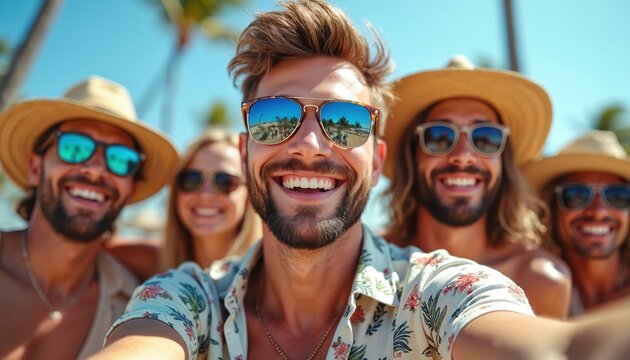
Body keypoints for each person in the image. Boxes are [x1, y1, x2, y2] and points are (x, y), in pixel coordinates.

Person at [93, 1, 630, 359]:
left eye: (345, 123)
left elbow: (561, 350)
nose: (307, 144)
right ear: (244, 147)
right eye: (275, 118)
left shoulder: (436, 292)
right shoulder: (184, 298)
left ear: (376, 157)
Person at [0, 76, 178, 359]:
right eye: (75, 147)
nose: (95, 170)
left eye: (121, 159)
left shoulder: (137, 307)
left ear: (131, 187)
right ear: (35, 167)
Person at [382, 55, 572, 318]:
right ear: (412, 156)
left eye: (485, 138)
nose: (464, 155)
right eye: (439, 136)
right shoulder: (370, 263)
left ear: (503, 161)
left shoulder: (541, 281)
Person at [106, 128, 262, 281]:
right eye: (191, 179)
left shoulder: (271, 277)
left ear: (250, 195)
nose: (205, 194)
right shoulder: (153, 262)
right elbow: (98, 246)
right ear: (176, 193)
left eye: (226, 182)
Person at [522, 130, 630, 316]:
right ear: (550, 207)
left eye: (617, 196)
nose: (598, 212)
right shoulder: (527, 292)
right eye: (576, 195)